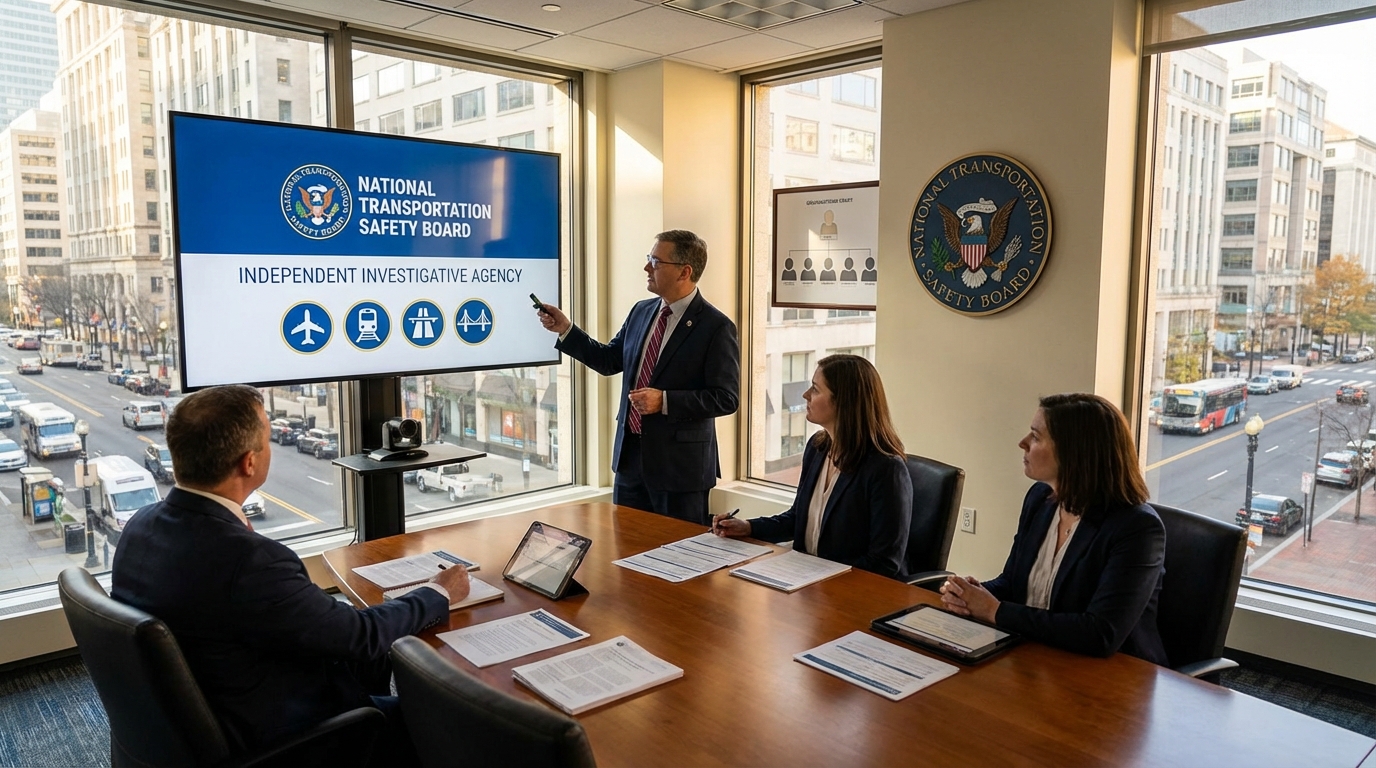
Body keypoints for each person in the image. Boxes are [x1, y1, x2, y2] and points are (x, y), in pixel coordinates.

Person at [111, 385, 470, 755]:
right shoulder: (249, 560)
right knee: (453, 724)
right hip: (284, 733)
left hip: (200, 715)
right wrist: (437, 591)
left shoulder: (141, 525)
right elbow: (360, 637)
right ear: (249, 462)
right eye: (267, 439)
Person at [939, 393, 1168, 664]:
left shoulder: (1137, 528)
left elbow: (1101, 633)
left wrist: (995, 611)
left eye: (1035, 437)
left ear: (1074, 453)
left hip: (1113, 676)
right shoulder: (1040, 499)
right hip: (1038, 656)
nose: (1022, 443)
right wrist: (969, 595)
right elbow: (1014, 583)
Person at [537, 229, 739, 525]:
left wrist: (665, 401)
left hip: (680, 470)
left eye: (656, 262)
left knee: (677, 557)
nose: (647, 268)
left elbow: (726, 398)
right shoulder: (642, 311)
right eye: (649, 259)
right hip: (630, 461)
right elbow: (609, 360)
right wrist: (567, 330)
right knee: (626, 550)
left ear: (685, 272)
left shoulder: (716, 326)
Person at [712, 354, 912, 578]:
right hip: (806, 581)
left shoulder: (886, 469)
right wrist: (747, 527)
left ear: (843, 401)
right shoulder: (817, 447)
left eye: (815, 389)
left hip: (848, 591)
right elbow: (798, 519)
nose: (805, 395)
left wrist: (818, 577)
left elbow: (884, 563)